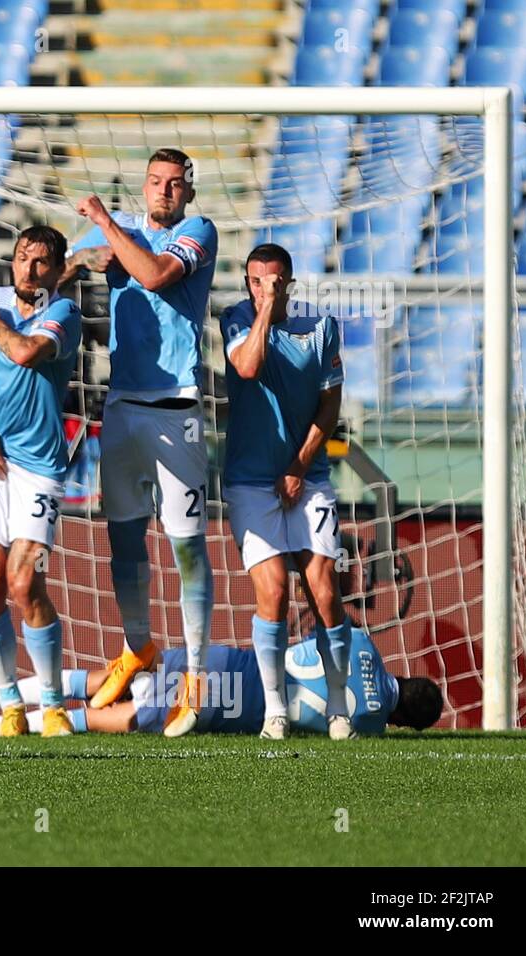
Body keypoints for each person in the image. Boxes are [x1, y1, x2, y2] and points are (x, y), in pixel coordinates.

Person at [68, 148, 219, 736]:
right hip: (122, 405)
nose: (164, 192)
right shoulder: (123, 232)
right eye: (156, 182)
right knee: (124, 542)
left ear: (188, 192)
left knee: (186, 548)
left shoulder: (198, 232)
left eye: (175, 184)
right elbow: (52, 271)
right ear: (145, 185)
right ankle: (138, 648)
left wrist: (105, 226)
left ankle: (198, 679)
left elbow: (154, 274)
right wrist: (81, 257)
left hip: (176, 408)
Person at [0, 226, 82, 737]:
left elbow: (26, 352)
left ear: (57, 270)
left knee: (25, 582)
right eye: (22, 259)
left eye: (41, 261)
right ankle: (10, 704)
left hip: (37, 465)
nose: (29, 269)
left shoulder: (64, 314)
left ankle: (51, 704)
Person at [221, 243, 352, 739]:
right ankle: (275, 711)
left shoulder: (321, 327)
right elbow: (249, 368)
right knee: (273, 591)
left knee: (323, 591)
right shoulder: (235, 320)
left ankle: (339, 708)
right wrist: (264, 313)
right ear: (247, 284)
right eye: (256, 281)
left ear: (290, 283)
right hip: (250, 482)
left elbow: (330, 406)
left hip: (309, 477)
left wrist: (299, 464)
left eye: (275, 282)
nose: (265, 289)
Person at [0, 629, 444, 737]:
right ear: (408, 723)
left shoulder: (361, 640)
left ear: (410, 673)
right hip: (228, 705)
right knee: (112, 716)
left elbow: (302, 642)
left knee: (101, 678)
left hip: (223, 660)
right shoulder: (371, 728)